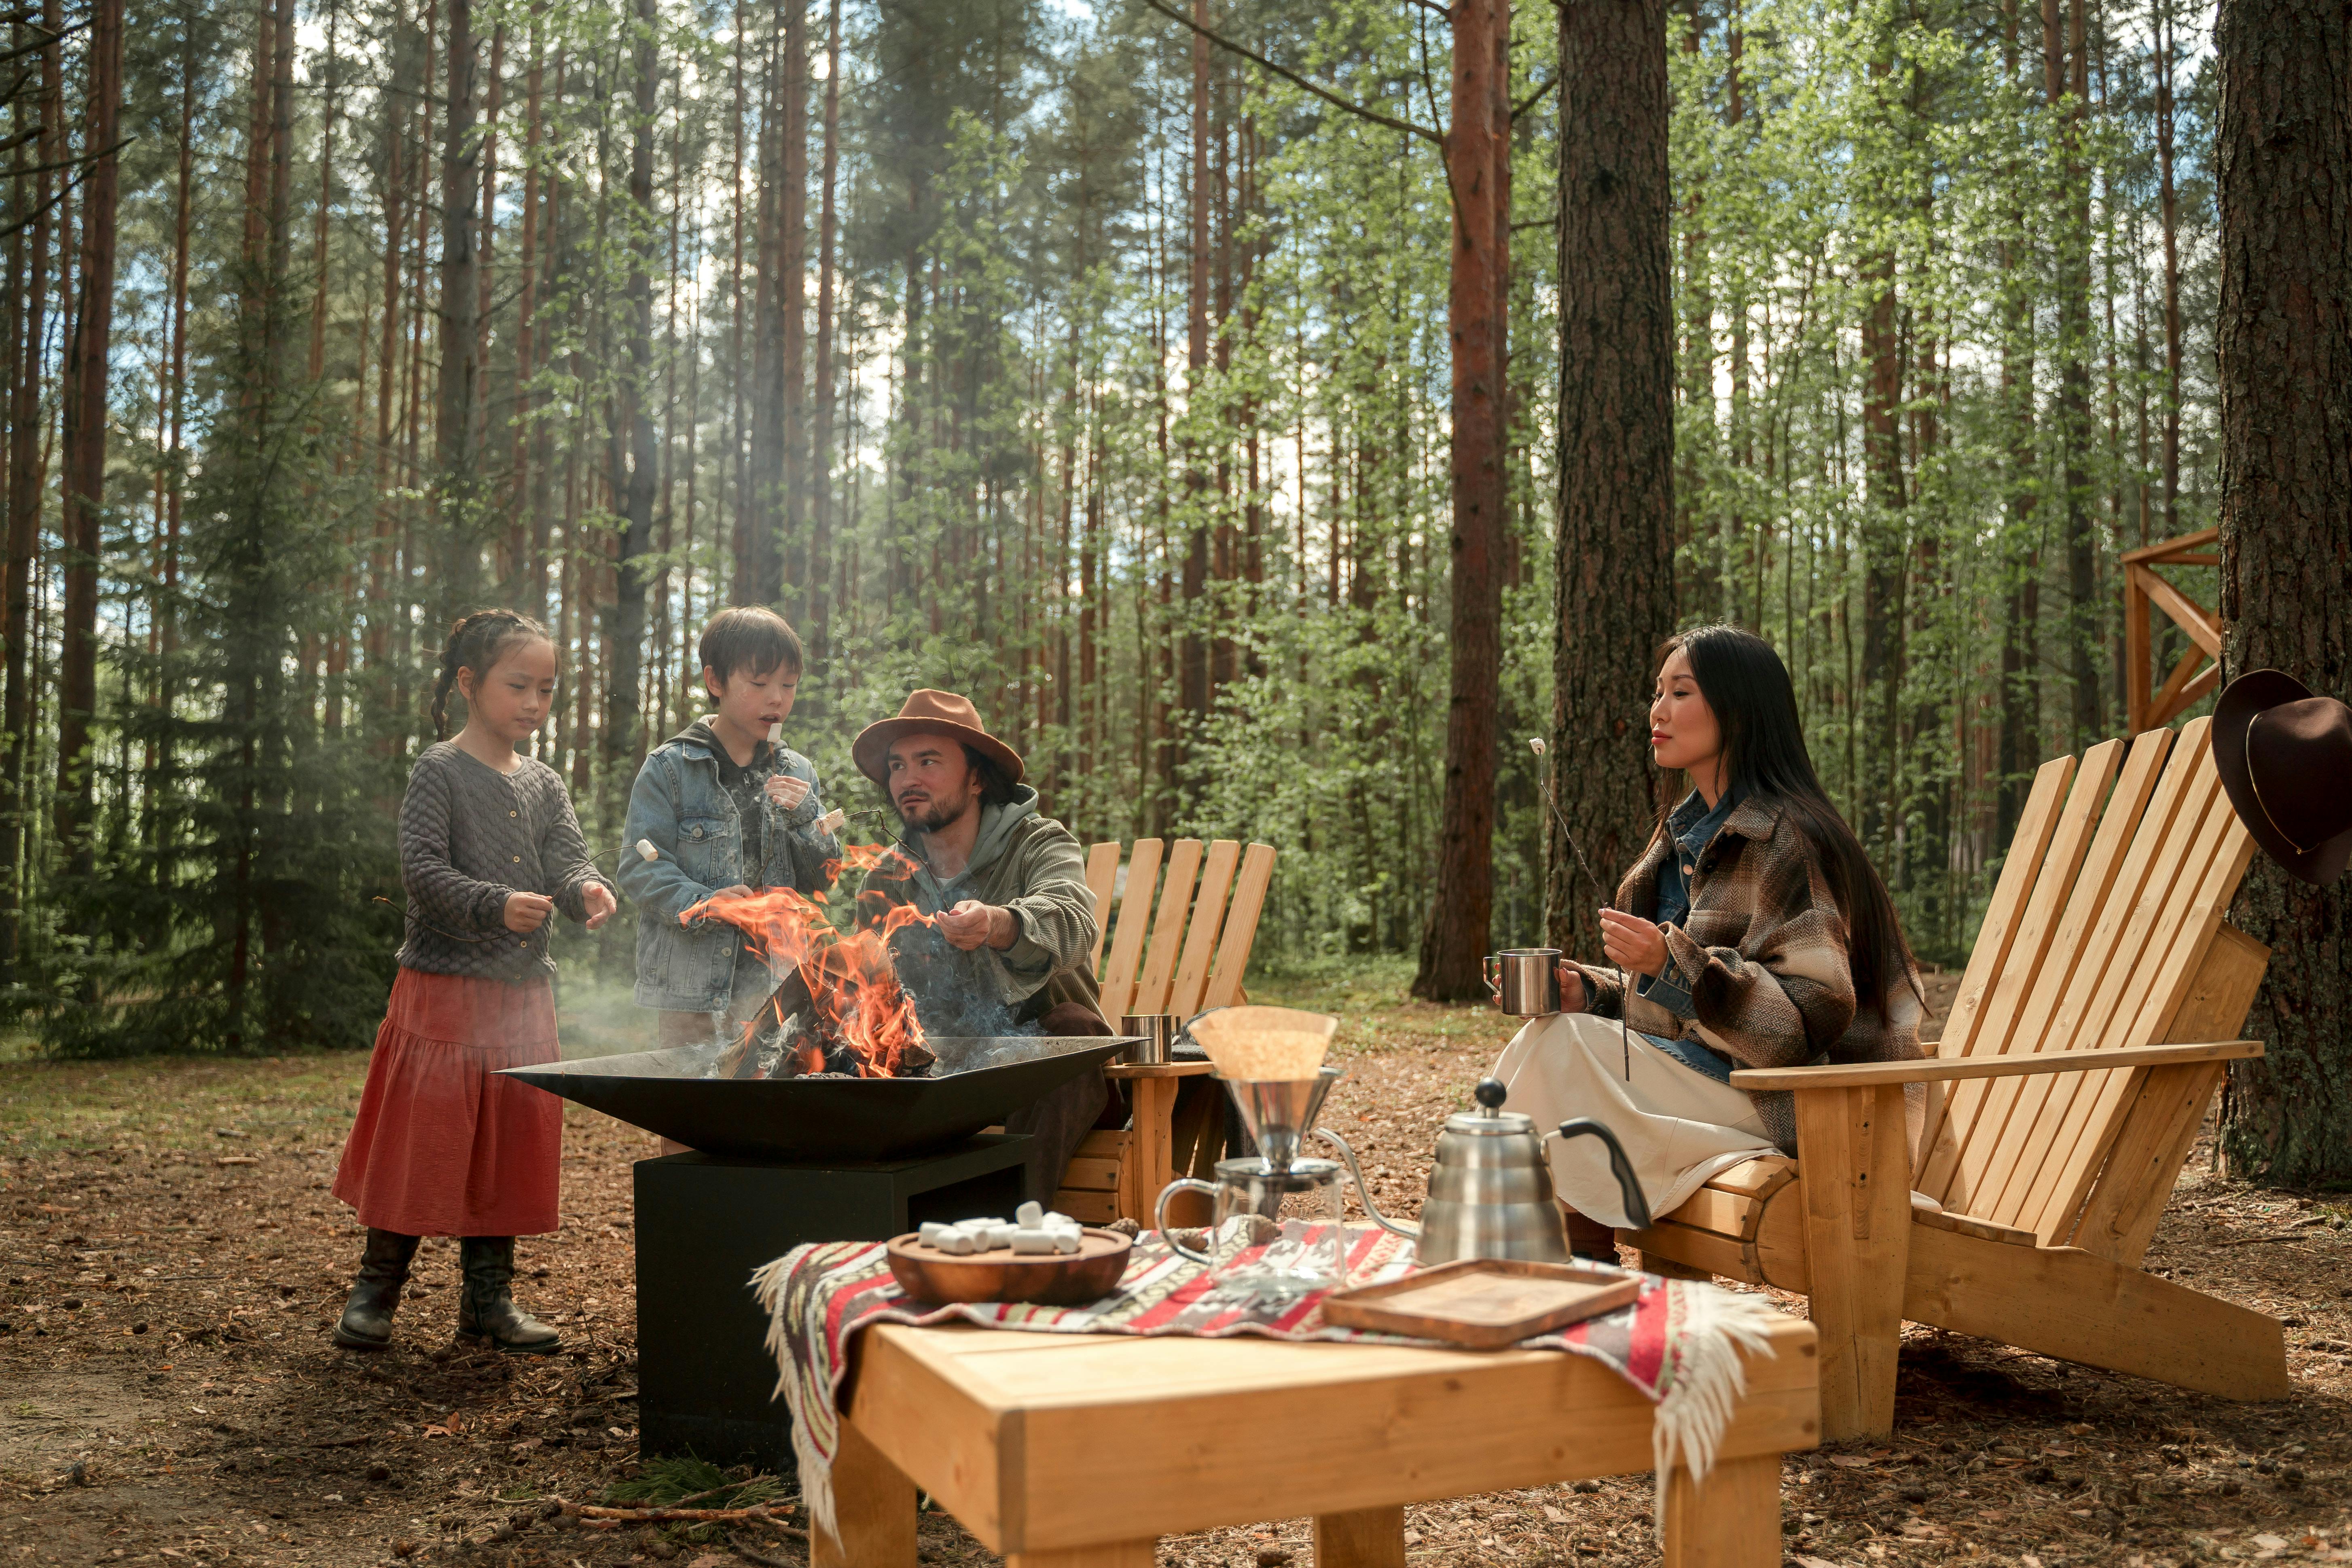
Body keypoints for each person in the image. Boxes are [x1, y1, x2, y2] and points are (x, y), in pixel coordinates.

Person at [1493, 624, 1925, 1259]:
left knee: (1558, 1055)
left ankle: (1563, 1266)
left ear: (1737, 709)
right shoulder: (1682, 841)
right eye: (1657, 692)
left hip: (1808, 1108)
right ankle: (1572, 1267)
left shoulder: (1789, 839)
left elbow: (1801, 1026)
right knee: (1559, 1036)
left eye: (1681, 692)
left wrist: (1671, 964)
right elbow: (1681, 1009)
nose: (1657, 711)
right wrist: (1588, 990)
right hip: (1717, 1083)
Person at [332, 609, 619, 1353]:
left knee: (508, 1139)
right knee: (423, 1137)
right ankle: (376, 1291)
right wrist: (495, 904)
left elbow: (568, 857)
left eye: (546, 689)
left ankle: (488, 1303)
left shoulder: (547, 783)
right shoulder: (439, 770)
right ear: (469, 682)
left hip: (522, 996)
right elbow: (422, 873)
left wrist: (588, 889)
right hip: (444, 991)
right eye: (517, 684)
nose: (533, 702)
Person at [852, 690, 1111, 1201]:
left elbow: (1075, 923)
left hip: (1049, 1080)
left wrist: (1000, 923)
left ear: (975, 777)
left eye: (929, 761)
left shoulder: (1039, 843)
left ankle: (1002, 1236)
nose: (909, 778)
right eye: (898, 765)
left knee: (1073, 1031)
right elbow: (872, 997)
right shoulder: (885, 878)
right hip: (943, 1083)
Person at [618, 606, 843, 1071]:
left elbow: (824, 878)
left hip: (778, 989)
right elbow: (641, 867)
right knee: (691, 1119)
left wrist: (806, 815)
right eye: (759, 684)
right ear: (715, 681)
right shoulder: (670, 769)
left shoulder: (798, 772)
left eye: (789, 684)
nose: (776, 700)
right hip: (691, 994)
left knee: (768, 1121)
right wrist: (708, 902)